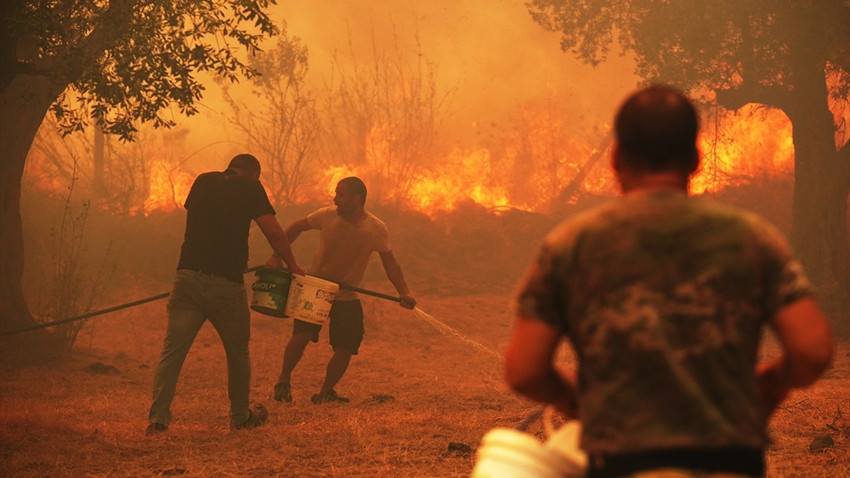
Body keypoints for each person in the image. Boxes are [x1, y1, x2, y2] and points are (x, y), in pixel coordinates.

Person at [504, 84, 834, 477]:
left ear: (616, 158)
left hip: (621, 462)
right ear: (695, 158)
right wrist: (771, 384)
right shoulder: (753, 239)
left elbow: (524, 369)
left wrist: (576, 400)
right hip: (731, 460)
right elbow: (812, 351)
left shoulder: (571, 244)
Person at [146, 153, 306, 436]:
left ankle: (158, 419)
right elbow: (273, 232)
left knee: (172, 352)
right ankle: (240, 417)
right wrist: (292, 264)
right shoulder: (250, 187)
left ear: (231, 166)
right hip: (226, 284)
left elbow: (205, 222)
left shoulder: (203, 181)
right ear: (254, 174)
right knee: (238, 352)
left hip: (188, 278)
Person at [266, 176, 416, 404]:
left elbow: (391, 263)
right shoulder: (326, 215)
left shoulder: (375, 228)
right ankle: (283, 383)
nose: (335, 200)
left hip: (346, 294)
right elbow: (296, 227)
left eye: (341, 195)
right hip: (316, 286)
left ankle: (326, 392)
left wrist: (404, 291)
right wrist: (277, 256)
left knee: (347, 344)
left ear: (356, 199)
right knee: (302, 335)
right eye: (336, 194)